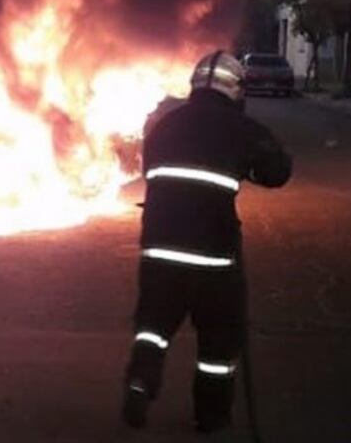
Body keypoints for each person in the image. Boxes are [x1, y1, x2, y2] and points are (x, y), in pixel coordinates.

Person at [122, 50, 292, 434]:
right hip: (212, 256)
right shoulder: (240, 128)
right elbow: (276, 173)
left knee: (153, 325)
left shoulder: (165, 125)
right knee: (218, 339)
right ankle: (211, 415)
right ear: (235, 89)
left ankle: (140, 382)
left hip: (158, 248)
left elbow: (149, 170)